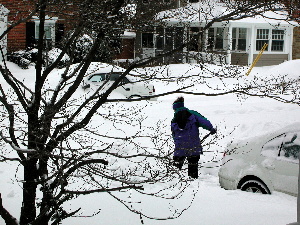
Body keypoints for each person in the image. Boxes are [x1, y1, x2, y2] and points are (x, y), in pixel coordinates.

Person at [171, 96, 216, 179]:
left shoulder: (174, 119)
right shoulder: (193, 114)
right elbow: (203, 121)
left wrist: (177, 143)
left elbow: (174, 134)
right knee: (193, 166)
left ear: (175, 108)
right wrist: (211, 129)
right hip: (194, 145)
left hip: (180, 147)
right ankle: (193, 182)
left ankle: (174, 182)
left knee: (176, 168)